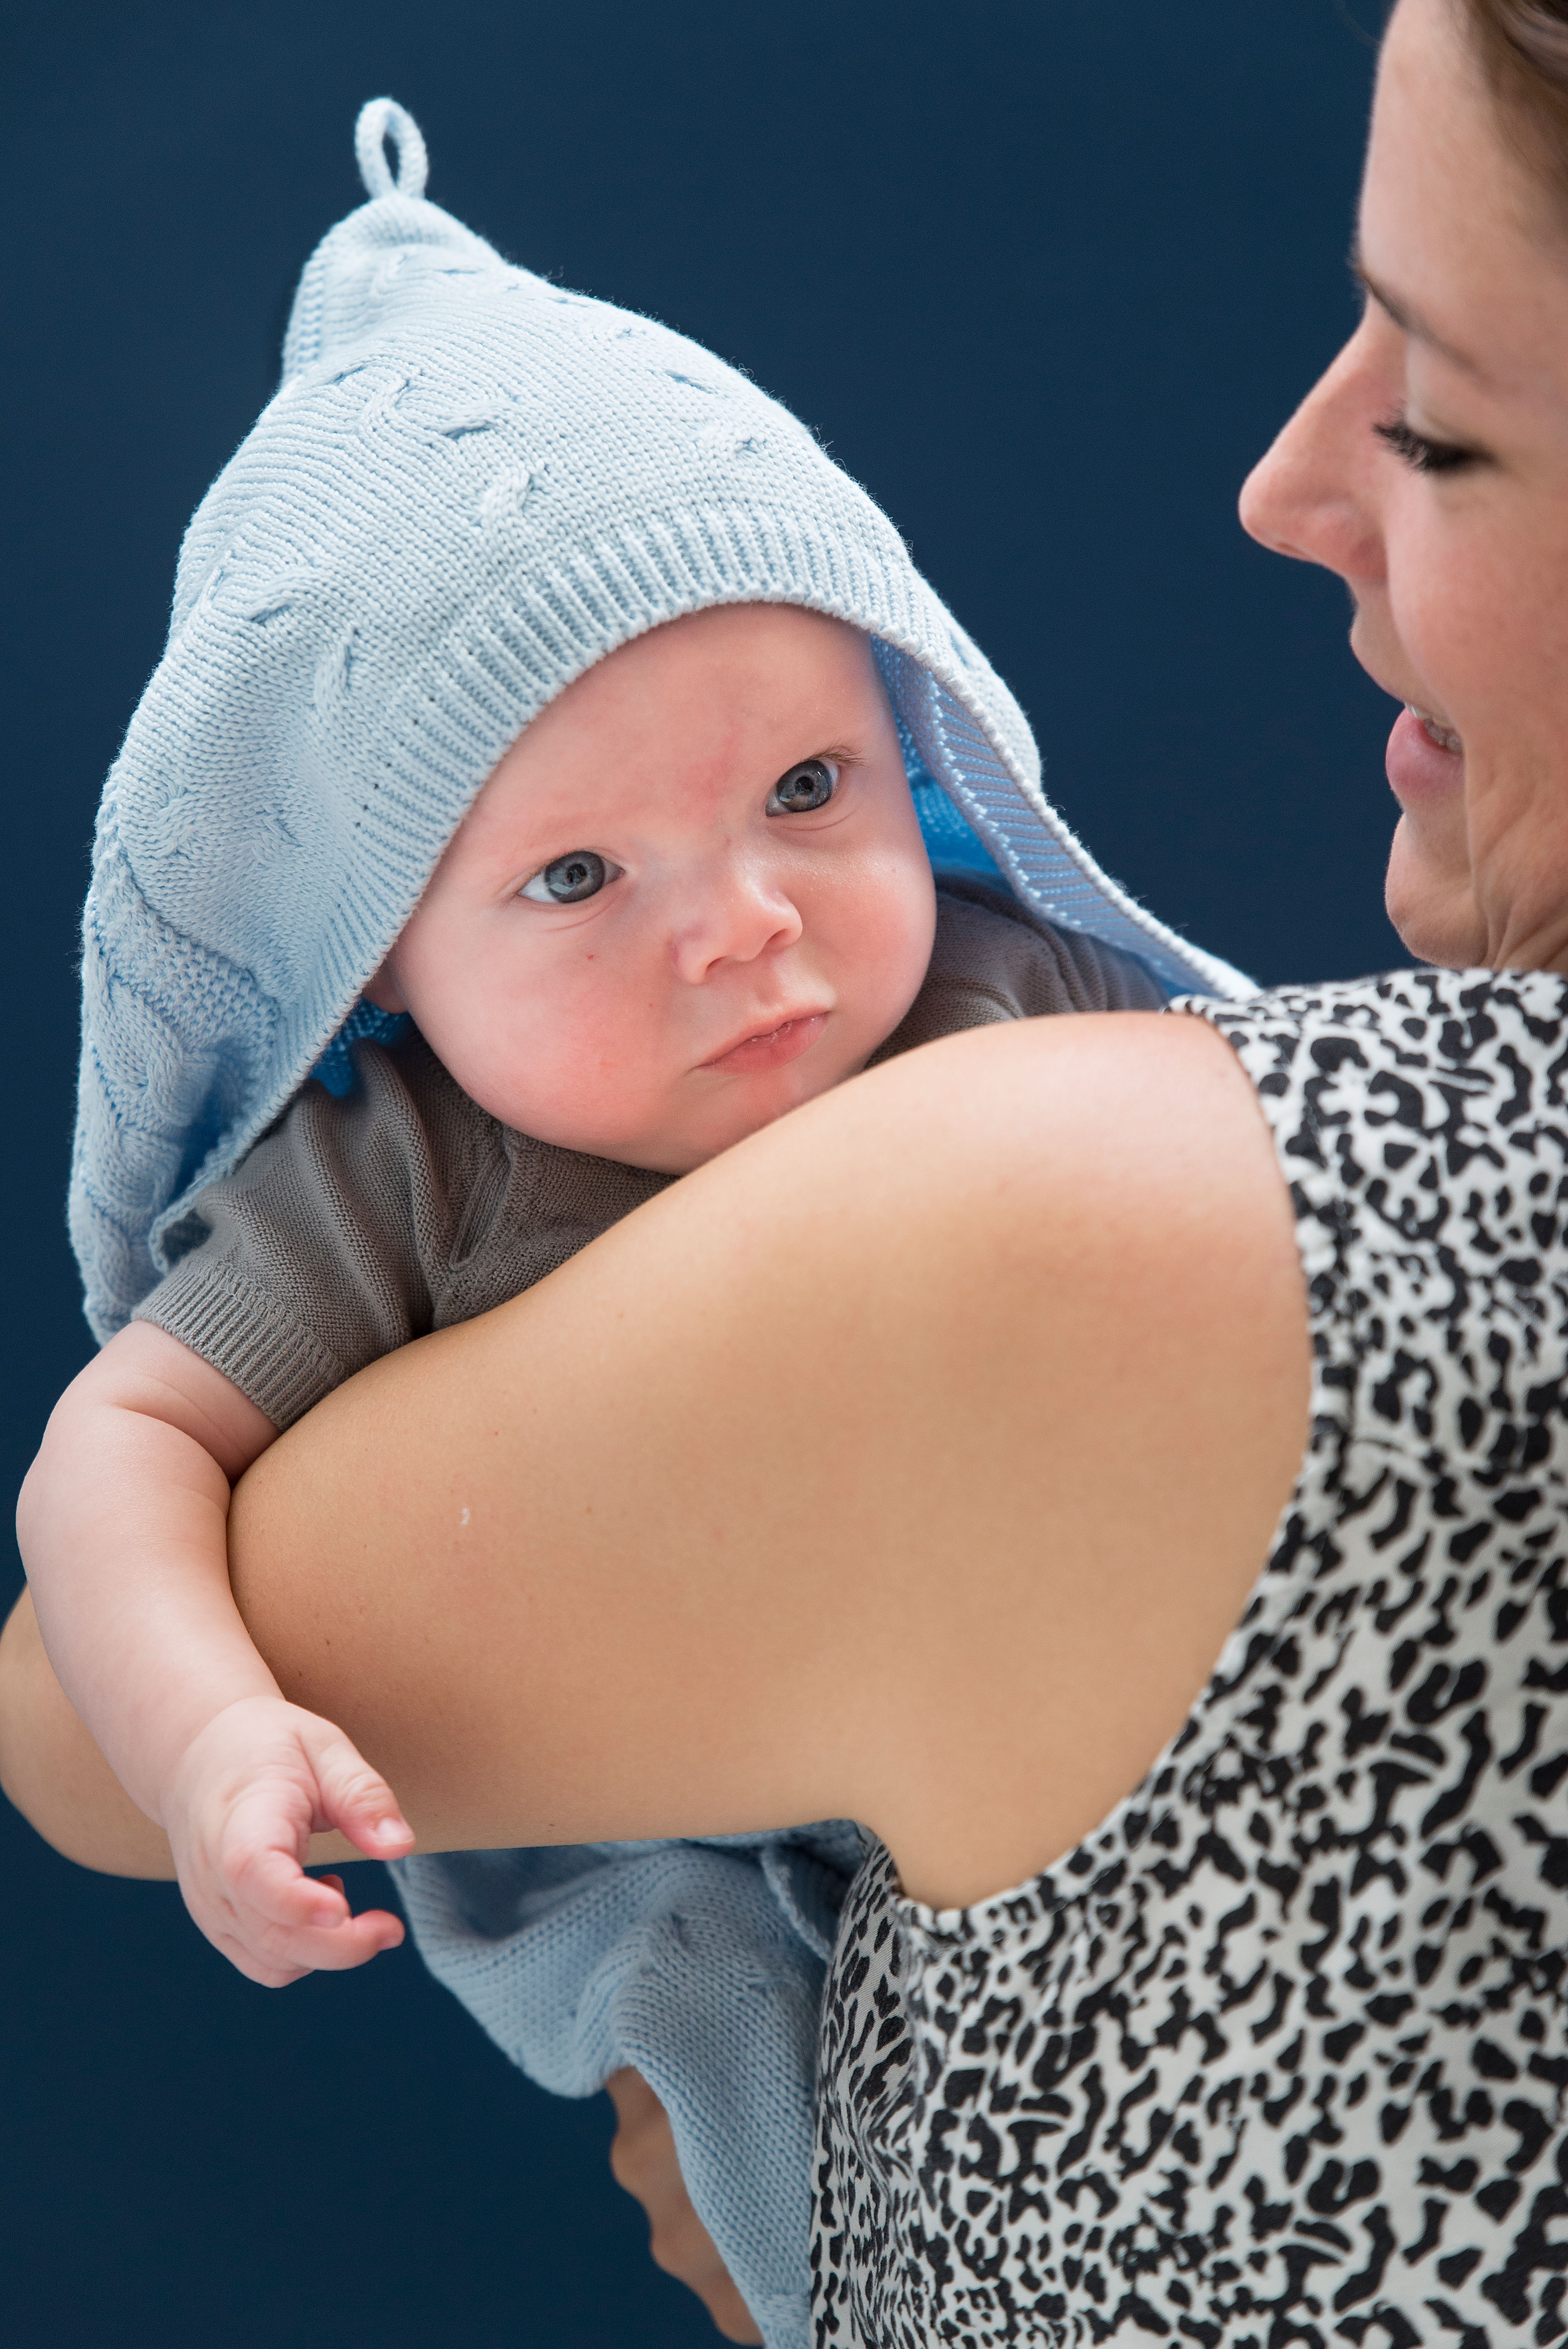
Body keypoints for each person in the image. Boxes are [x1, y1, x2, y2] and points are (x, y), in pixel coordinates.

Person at [12, 0, 1568, 2336]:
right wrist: (216, 1723)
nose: (741, 922)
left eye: (815, 793)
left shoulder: (1017, 1036)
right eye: (571, 880)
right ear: (372, 972)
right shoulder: (401, 1178)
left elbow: (39, 1730)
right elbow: (117, 1463)